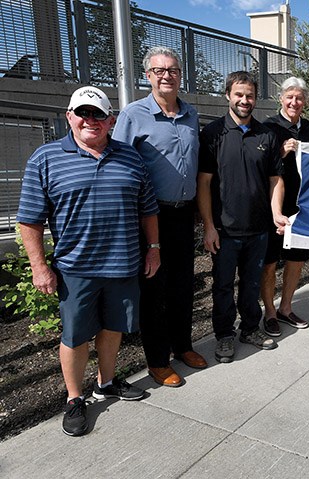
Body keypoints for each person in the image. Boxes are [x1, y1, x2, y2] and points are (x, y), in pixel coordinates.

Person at [17, 86, 160, 436]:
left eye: (98, 114)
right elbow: (29, 220)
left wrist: (154, 247)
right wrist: (39, 266)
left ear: (111, 120)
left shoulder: (130, 157)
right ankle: (75, 397)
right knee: (76, 335)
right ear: (69, 117)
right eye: (82, 113)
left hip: (123, 264)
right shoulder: (46, 158)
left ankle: (106, 382)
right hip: (76, 270)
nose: (90, 120)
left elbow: (148, 210)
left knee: (113, 328)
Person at [113, 46, 205, 388]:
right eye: (159, 70)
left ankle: (183, 346)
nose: (167, 75)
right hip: (151, 216)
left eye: (173, 70)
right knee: (155, 292)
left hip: (184, 216)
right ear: (148, 76)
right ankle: (157, 360)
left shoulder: (191, 114)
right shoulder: (133, 115)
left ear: (180, 75)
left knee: (183, 287)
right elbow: (121, 166)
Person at [197, 71, 287, 363]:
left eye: (249, 95)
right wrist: (209, 226)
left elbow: (276, 179)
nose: (244, 100)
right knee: (222, 287)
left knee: (251, 285)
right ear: (228, 95)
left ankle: (250, 329)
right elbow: (204, 183)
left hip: (259, 229)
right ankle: (224, 336)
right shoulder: (212, 134)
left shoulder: (267, 135)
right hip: (224, 230)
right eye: (239, 94)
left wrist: (276, 213)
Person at [261, 77, 309, 335]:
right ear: (281, 99)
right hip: (274, 206)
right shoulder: (268, 127)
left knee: (296, 260)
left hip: (301, 205)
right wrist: (281, 153)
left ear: (304, 101)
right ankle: (269, 313)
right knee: (270, 262)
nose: (294, 102)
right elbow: (257, 165)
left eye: (299, 98)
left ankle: (286, 308)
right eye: (290, 97)